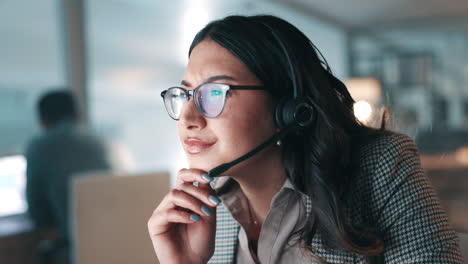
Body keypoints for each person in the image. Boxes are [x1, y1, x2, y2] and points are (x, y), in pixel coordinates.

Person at [147, 15, 463, 263]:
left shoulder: (380, 166)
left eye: (214, 93)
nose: (188, 118)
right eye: (186, 94)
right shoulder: (206, 210)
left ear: (289, 108)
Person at [25, 90, 112, 264]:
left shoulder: (40, 146)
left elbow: (36, 207)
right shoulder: (98, 142)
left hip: (68, 247)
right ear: (77, 114)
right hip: (108, 239)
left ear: (43, 119)